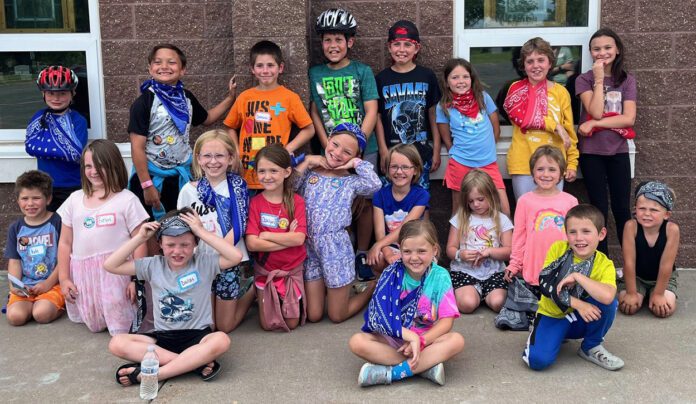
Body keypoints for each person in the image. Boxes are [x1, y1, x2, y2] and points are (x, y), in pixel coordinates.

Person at [104, 208, 242, 386]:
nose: (177, 251)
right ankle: (193, 364)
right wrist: (140, 238)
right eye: (170, 245)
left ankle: (155, 374)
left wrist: (201, 231)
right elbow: (111, 265)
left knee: (221, 340)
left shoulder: (204, 262)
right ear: (160, 244)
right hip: (163, 339)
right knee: (117, 343)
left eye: (185, 244)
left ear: (195, 243)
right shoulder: (153, 265)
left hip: (198, 337)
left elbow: (235, 256)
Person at [128, 44, 237, 223]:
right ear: (150, 68)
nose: (164, 66)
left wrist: (231, 98)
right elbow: (136, 148)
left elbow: (207, 118)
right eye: (158, 62)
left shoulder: (186, 98)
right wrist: (146, 185)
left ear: (183, 69)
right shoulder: (143, 103)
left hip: (180, 177)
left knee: (183, 226)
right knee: (153, 227)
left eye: (171, 62)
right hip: (152, 178)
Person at [310, 8, 380, 284]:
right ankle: (343, 249)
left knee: (364, 202)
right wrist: (327, 144)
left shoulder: (362, 71)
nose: (333, 45)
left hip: (363, 148)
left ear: (349, 42)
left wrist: (358, 147)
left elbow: (371, 110)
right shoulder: (315, 73)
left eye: (339, 40)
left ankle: (361, 252)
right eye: (328, 40)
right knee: (337, 200)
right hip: (330, 149)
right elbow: (315, 112)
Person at [349, 220, 464, 387]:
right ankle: (424, 366)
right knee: (357, 342)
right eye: (407, 251)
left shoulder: (441, 276)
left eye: (421, 251)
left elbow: (447, 321)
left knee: (456, 340)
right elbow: (380, 318)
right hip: (394, 337)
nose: (414, 258)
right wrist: (411, 337)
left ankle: (392, 373)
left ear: (434, 250)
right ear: (400, 250)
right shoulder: (391, 274)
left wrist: (421, 340)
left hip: (426, 339)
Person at [56, 139, 149, 335]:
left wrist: (136, 279)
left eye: (100, 166)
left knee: (122, 327)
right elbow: (65, 243)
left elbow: (140, 242)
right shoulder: (74, 200)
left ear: (113, 165)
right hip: (84, 274)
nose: (94, 171)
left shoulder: (127, 200)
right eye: (88, 166)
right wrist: (64, 278)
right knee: (95, 324)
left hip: (117, 273)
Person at [295, 122, 381, 323]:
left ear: (355, 156)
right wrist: (307, 160)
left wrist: (356, 164)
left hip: (336, 248)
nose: (337, 153)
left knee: (336, 316)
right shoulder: (311, 173)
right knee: (314, 315)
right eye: (335, 144)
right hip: (308, 246)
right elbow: (290, 186)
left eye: (347, 152)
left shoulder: (351, 181)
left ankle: (371, 288)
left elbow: (375, 185)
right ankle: (332, 293)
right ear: (328, 140)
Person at [523, 204, 624, 371]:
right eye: (573, 232)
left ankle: (591, 346)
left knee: (608, 302)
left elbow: (607, 297)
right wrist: (578, 304)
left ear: (601, 234)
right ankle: (542, 331)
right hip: (553, 315)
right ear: (566, 234)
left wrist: (578, 277)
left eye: (586, 231)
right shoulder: (558, 249)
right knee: (538, 361)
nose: (579, 238)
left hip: (579, 320)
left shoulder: (605, 264)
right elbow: (545, 284)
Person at [177, 129, 254, 333]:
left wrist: (221, 255)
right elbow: (183, 229)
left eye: (219, 155)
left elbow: (240, 225)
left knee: (224, 327)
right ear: (198, 158)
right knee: (208, 326)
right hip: (200, 260)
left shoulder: (237, 186)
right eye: (207, 156)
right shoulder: (188, 191)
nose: (213, 161)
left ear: (230, 158)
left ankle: (251, 292)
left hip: (227, 259)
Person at [224, 40, 315, 191]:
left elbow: (309, 129)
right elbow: (230, 126)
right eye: (259, 66)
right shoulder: (245, 97)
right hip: (247, 173)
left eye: (270, 65)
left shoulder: (289, 98)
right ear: (252, 69)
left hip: (275, 173)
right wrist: (236, 151)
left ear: (280, 68)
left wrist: (288, 148)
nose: (265, 71)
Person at [576, 28, 636, 254]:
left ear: (617, 49)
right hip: (592, 153)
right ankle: (601, 263)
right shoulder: (584, 80)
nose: (602, 52)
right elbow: (595, 110)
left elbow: (628, 118)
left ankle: (631, 263)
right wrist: (599, 80)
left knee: (622, 209)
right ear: (590, 52)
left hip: (618, 151)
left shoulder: (627, 80)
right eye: (596, 49)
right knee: (598, 210)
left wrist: (594, 124)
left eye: (608, 47)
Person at [504, 37, 578, 199]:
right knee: (527, 211)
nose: (535, 65)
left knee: (552, 212)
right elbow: (523, 118)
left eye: (541, 60)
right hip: (523, 164)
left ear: (550, 63)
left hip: (554, 165)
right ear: (523, 65)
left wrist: (572, 162)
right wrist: (555, 126)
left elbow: (569, 132)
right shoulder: (516, 89)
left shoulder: (561, 92)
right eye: (530, 61)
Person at [245, 144, 308, 331]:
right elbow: (252, 243)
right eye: (262, 171)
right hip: (266, 271)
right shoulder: (255, 203)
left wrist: (266, 235)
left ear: (287, 172)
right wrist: (287, 237)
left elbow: (299, 239)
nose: (267, 176)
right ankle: (255, 292)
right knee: (268, 325)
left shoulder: (296, 201)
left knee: (291, 324)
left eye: (273, 170)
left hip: (291, 270)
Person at [436, 58, 509, 215]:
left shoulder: (483, 97)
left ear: (471, 79)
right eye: (455, 77)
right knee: (459, 211)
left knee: (504, 209)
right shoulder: (443, 106)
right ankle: (458, 234)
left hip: (487, 162)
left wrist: (487, 147)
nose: (461, 81)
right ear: (447, 82)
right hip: (461, 162)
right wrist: (454, 153)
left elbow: (496, 128)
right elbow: (445, 136)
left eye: (465, 76)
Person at [375, 20, 441, 190]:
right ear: (389, 47)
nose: (402, 49)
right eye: (396, 44)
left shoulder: (427, 76)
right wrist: (383, 150)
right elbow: (378, 117)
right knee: (391, 199)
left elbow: (433, 114)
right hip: (392, 155)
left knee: (420, 198)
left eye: (407, 44)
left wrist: (436, 149)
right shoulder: (381, 79)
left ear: (417, 48)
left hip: (421, 153)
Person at [504, 146, 578, 295]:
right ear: (532, 171)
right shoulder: (525, 201)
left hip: (562, 269)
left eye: (552, 169)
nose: (546, 174)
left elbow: (576, 236)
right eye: (540, 169)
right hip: (534, 268)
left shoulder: (570, 201)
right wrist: (514, 264)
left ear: (561, 173)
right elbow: (519, 236)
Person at [446, 169, 513, 313]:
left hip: (494, 272)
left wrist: (490, 252)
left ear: (491, 195)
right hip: (465, 271)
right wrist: (460, 254)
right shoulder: (460, 218)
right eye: (471, 201)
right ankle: (471, 294)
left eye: (480, 199)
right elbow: (450, 248)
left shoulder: (501, 219)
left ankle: (485, 294)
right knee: (467, 304)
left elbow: (509, 251)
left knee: (498, 303)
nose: (476, 204)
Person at [4, 171, 64, 325]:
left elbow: (65, 258)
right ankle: (30, 304)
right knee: (15, 317)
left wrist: (48, 284)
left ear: (48, 199)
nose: (30, 203)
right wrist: (14, 286)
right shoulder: (15, 228)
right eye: (25, 198)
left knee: (41, 314)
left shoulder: (58, 222)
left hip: (53, 284)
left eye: (36, 198)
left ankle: (58, 305)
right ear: (18, 201)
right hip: (26, 286)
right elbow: (14, 261)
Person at [25, 66, 88, 212]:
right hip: (45, 186)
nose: (56, 98)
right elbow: (30, 147)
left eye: (63, 93)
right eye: (51, 93)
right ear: (43, 93)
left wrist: (44, 146)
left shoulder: (78, 120)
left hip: (73, 185)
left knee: (72, 223)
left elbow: (75, 153)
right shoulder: (38, 117)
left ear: (73, 93)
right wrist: (60, 147)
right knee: (49, 223)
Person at [618, 181, 679, 318]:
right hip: (636, 276)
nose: (646, 214)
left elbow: (666, 265)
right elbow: (629, 262)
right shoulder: (631, 227)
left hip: (662, 278)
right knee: (628, 307)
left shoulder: (672, 230)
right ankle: (640, 293)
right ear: (635, 210)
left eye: (654, 210)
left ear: (666, 214)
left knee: (663, 310)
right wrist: (631, 293)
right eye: (642, 208)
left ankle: (652, 294)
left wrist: (659, 294)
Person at [367, 144, 428, 273]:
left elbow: (405, 227)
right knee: (378, 258)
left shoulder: (422, 195)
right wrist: (387, 252)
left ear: (415, 170)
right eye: (394, 166)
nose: (399, 172)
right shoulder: (380, 195)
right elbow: (380, 234)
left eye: (405, 167)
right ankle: (382, 282)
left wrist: (378, 245)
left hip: (415, 246)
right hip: (391, 245)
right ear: (387, 169)